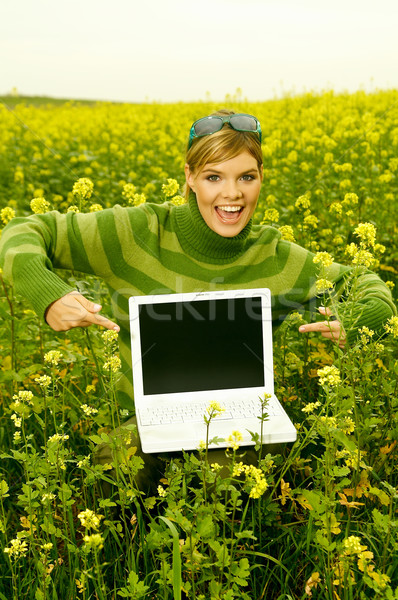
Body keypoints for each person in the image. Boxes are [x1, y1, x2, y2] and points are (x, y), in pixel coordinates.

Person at [0, 110, 395, 492]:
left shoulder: (278, 258)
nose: (232, 194)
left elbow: (365, 283)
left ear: (261, 179)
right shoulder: (137, 231)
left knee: (228, 478)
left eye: (247, 176)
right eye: (213, 177)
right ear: (189, 178)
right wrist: (48, 295)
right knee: (115, 473)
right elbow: (25, 230)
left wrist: (364, 317)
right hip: (142, 422)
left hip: (238, 419)